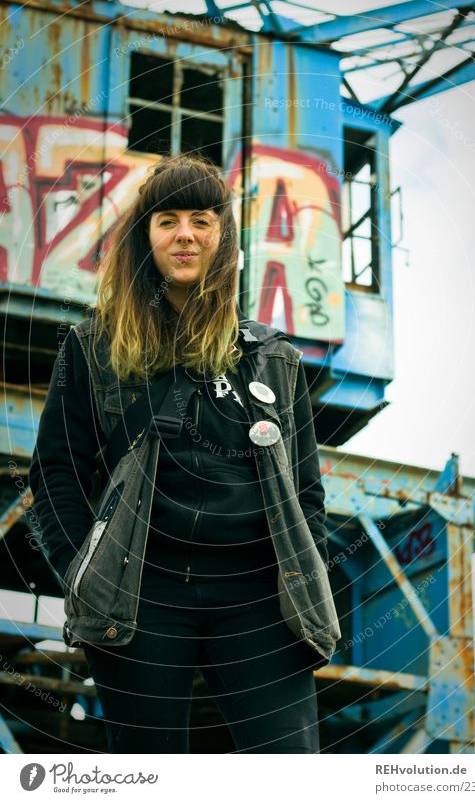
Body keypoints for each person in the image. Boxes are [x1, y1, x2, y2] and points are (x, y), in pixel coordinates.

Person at [29, 153, 339, 754]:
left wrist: (309, 579)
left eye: (201, 219)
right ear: (144, 237)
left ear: (222, 237)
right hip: (141, 595)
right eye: (167, 219)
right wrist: (80, 573)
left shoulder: (274, 359)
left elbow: (307, 496)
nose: (186, 234)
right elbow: (55, 472)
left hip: (259, 599)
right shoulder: (94, 348)